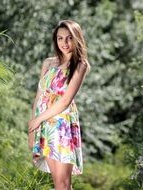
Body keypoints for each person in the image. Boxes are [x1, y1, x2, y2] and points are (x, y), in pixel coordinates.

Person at [28, 19, 90, 190]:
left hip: (62, 126)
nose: (65, 43)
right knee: (57, 182)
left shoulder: (80, 65)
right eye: (60, 38)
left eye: (69, 38)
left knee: (63, 183)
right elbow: (39, 96)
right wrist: (32, 129)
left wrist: (38, 120)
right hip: (45, 125)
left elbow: (65, 101)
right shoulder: (48, 63)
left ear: (77, 38)